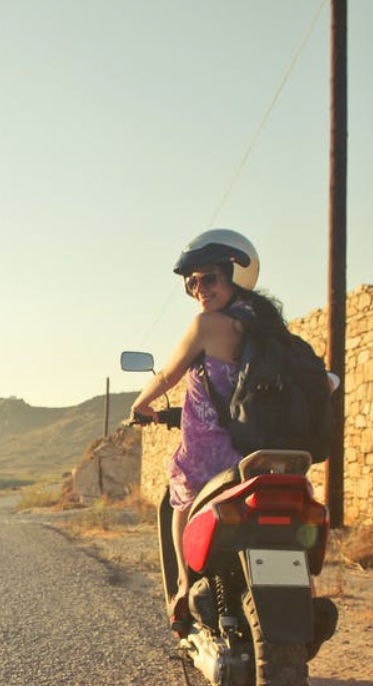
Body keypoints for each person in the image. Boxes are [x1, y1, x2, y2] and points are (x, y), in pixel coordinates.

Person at [129, 228, 288, 635]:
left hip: (212, 459)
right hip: (261, 455)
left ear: (234, 275)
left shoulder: (206, 326)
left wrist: (141, 404)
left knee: (179, 498)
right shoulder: (270, 330)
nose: (199, 289)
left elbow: (168, 373)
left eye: (209, 278)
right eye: (192, 282)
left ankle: (183, 587)